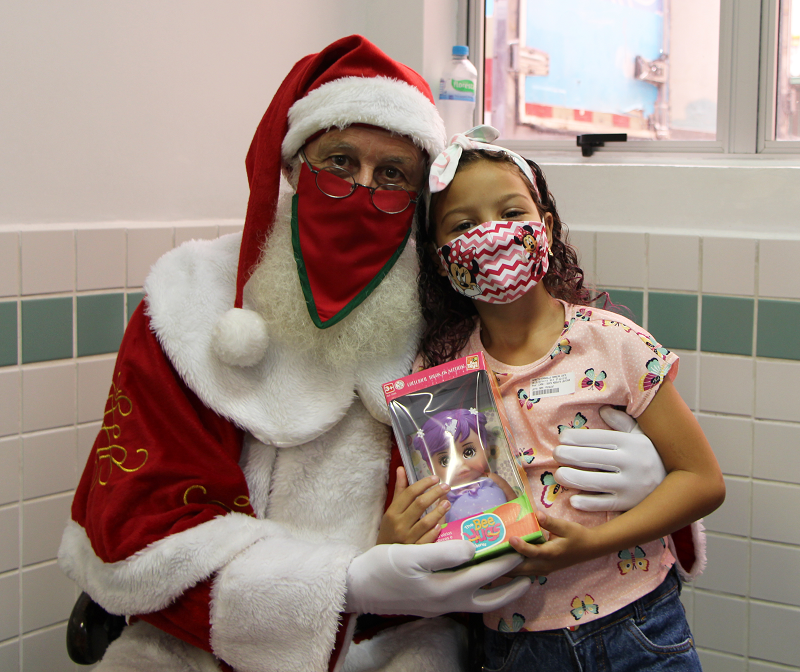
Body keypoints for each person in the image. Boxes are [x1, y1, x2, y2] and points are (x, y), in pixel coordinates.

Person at [58, 38, 679, 672]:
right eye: (338, 161)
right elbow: (141, 526)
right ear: (294, 168)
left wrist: (647, 479)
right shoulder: (191, 303)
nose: (361, 189)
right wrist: (345, 585)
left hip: (402, 643)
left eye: (391, 175)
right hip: (207, 647)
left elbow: (544, 417)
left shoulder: (451, 300)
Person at [406, 125, 725, 670]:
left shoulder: (615, 342)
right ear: (440, 258)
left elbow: (702, 481)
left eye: (512, 213)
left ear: (545, 228)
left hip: (638, 623)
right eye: (463, 225)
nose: (493, 234)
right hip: (514, 641)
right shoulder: (440, 378)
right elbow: (448, 501)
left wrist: (594, 543)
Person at [412, 408, 516, 523]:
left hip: (505, 524)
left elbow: (513, 499)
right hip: (464, 533)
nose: (459, 464)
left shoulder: (490, 478)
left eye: (469, 452)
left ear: (486, 449)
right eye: (445, 460)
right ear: (431, 468)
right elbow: (440, 518)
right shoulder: (446, 493)